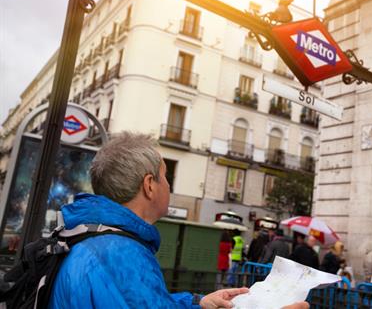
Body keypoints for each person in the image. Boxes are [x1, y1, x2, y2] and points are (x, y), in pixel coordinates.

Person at [48, 132, 308, 309]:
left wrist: (199, 302)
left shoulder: (99, 240)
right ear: (150, 186)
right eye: (165, 176)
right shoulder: (120, 254)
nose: (168, 185)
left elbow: (145, 302)